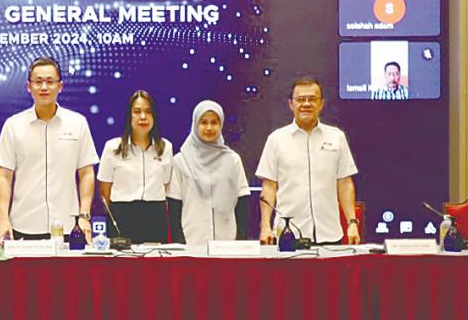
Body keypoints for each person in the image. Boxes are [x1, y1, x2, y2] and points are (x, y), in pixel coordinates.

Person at [0, 57, 99, 240]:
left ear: (60, 86)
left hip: (67, 226)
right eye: (38, 82)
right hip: (23, 225)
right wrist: (3, 219)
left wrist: (84, 215)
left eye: (50, 82)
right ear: (28, 86)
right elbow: (4, 176)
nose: (44, 87)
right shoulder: (13, 125)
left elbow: (86, 172)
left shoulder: (77, 123)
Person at [256, 77, 360, 246]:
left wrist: (352, 223)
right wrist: (265, 226)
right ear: (291, 104)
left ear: (321, 104)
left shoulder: (336, 137)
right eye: (300, 100)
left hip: (330, 234)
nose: (306, 104)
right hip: (287, 235)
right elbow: (269, 186)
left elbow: (344, 183)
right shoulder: (276, 139)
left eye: (312, 99)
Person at [166, 100, 249, 244]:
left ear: (221, 125)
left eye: (214, 122)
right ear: (195, 125)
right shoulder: (180, 161)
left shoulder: (233, 160)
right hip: (192, 241)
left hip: (227, 243)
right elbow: (174, 207)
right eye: (203, 122)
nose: (209, 128)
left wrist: (240, 242)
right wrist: (179, 242)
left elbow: (241, 204)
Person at [97, 90, 173, 243]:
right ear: (129, 116)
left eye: (148, 112)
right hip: (122, 216)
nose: (143, 117)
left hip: (155, 216)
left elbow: (165, 184)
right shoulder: (112, 147)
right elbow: (105, 191)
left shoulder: (165, 148)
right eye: (137, 112)